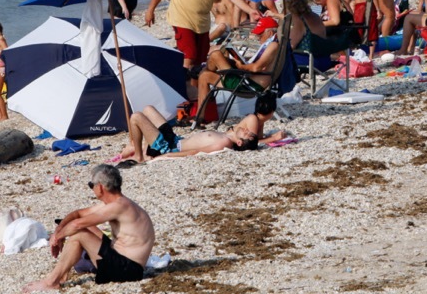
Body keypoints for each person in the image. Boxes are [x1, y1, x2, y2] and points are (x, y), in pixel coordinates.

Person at [22, 164, 154, 292]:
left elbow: (77, 224)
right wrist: (58, 230)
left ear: (100, 187)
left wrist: (57, 238)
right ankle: (62, 275)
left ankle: (51, 282)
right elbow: (77, 214)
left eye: (91, 185)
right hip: (121, 260)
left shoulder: (119, 206)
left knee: (79, 233)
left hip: (128, 270)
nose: (91, 188)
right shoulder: (118, 203)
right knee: (87, 227)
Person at [194, 17, 280, 118]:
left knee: (215, 56)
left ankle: (198, 74)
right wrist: (241, 62)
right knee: (206, 73)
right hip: (247, 80)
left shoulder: (273, 45)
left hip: (247, 85)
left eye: (260, 34)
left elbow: (257, 68)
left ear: (269, 33)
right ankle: (198, 118)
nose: (258, 37)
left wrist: (241, 66)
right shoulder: (274, 44)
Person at [120, 105, 257, 163]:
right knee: (148, 109)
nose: (246, 130)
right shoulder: (228, 134)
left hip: (168, 146)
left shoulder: (225, 143)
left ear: (239, 142)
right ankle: (137, 147)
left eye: (247, 134)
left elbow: (196, 151)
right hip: (175, 138)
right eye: (248, 131)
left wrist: (168, 155)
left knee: (136, 116)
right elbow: (249, 119)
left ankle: (139, 156)